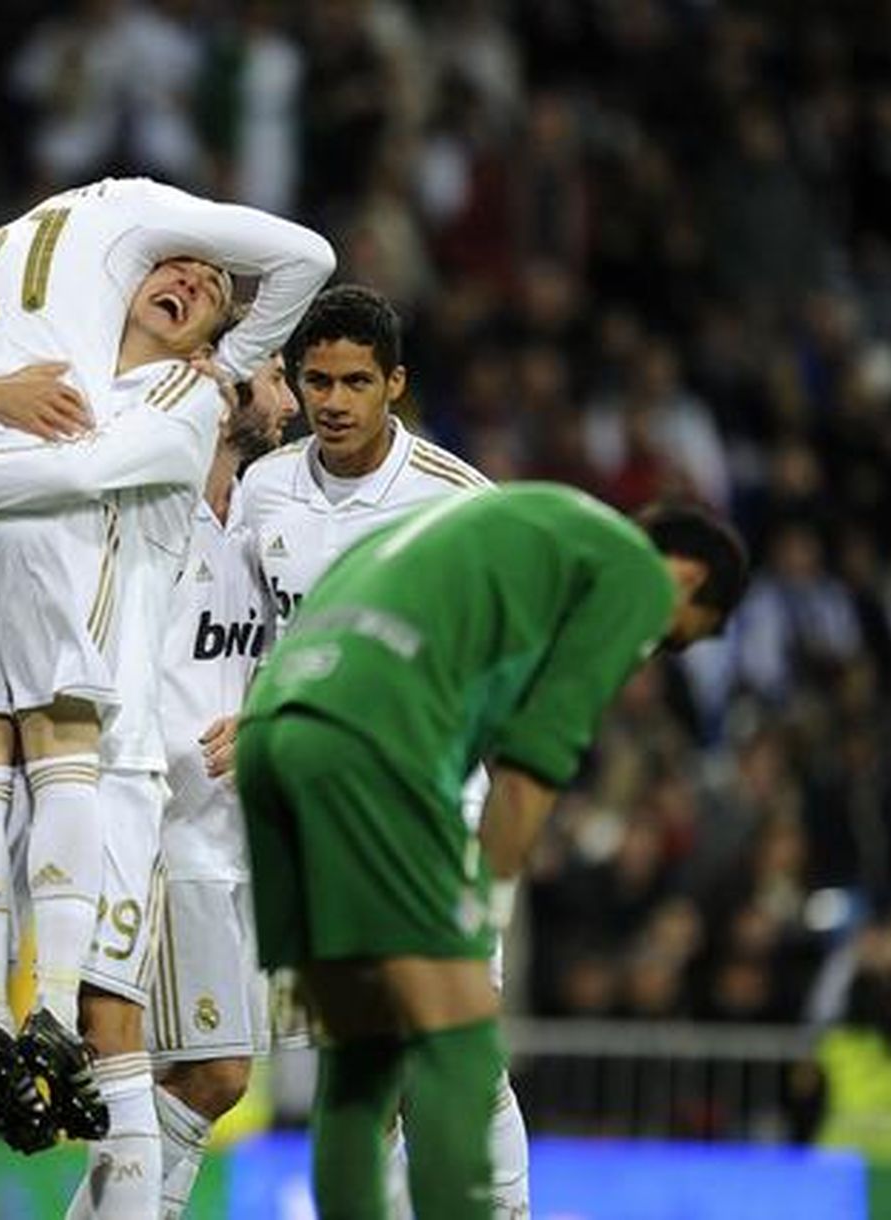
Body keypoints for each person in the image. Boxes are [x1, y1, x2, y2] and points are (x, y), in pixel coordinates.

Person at [0, 178, 331, 1159]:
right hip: (10, 738)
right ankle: (2, 1023)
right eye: (174, 267)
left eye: (216, 298)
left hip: (117, 767)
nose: (192, 276)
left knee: (119, 1047)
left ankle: (42, 1014)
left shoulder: (194, 416)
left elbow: (60, 472)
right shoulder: (72, 387)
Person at [238, 484, 748, 1220]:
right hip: (372, 738)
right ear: (690, 578)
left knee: (362, 1056)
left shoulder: (506, 520)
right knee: (462, 1042)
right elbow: (529, 770)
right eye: (672, 639)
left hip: (271, 735)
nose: (651, 652)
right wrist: (487, 901)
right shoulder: (633, 568)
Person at [241, 283, 529, 1214]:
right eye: (316, 379)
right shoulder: (262, 488)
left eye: (354, 381)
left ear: (394, 383)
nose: (331, 401)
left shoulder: (456, 503)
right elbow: (242, 635)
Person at [146, 354, 299, 1219]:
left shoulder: (262, 522)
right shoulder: (152, 515)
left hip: (238, 839)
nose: (290, 401)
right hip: (167, 830)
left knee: (201, 1076)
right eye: (274, 377)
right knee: (208, 1072)